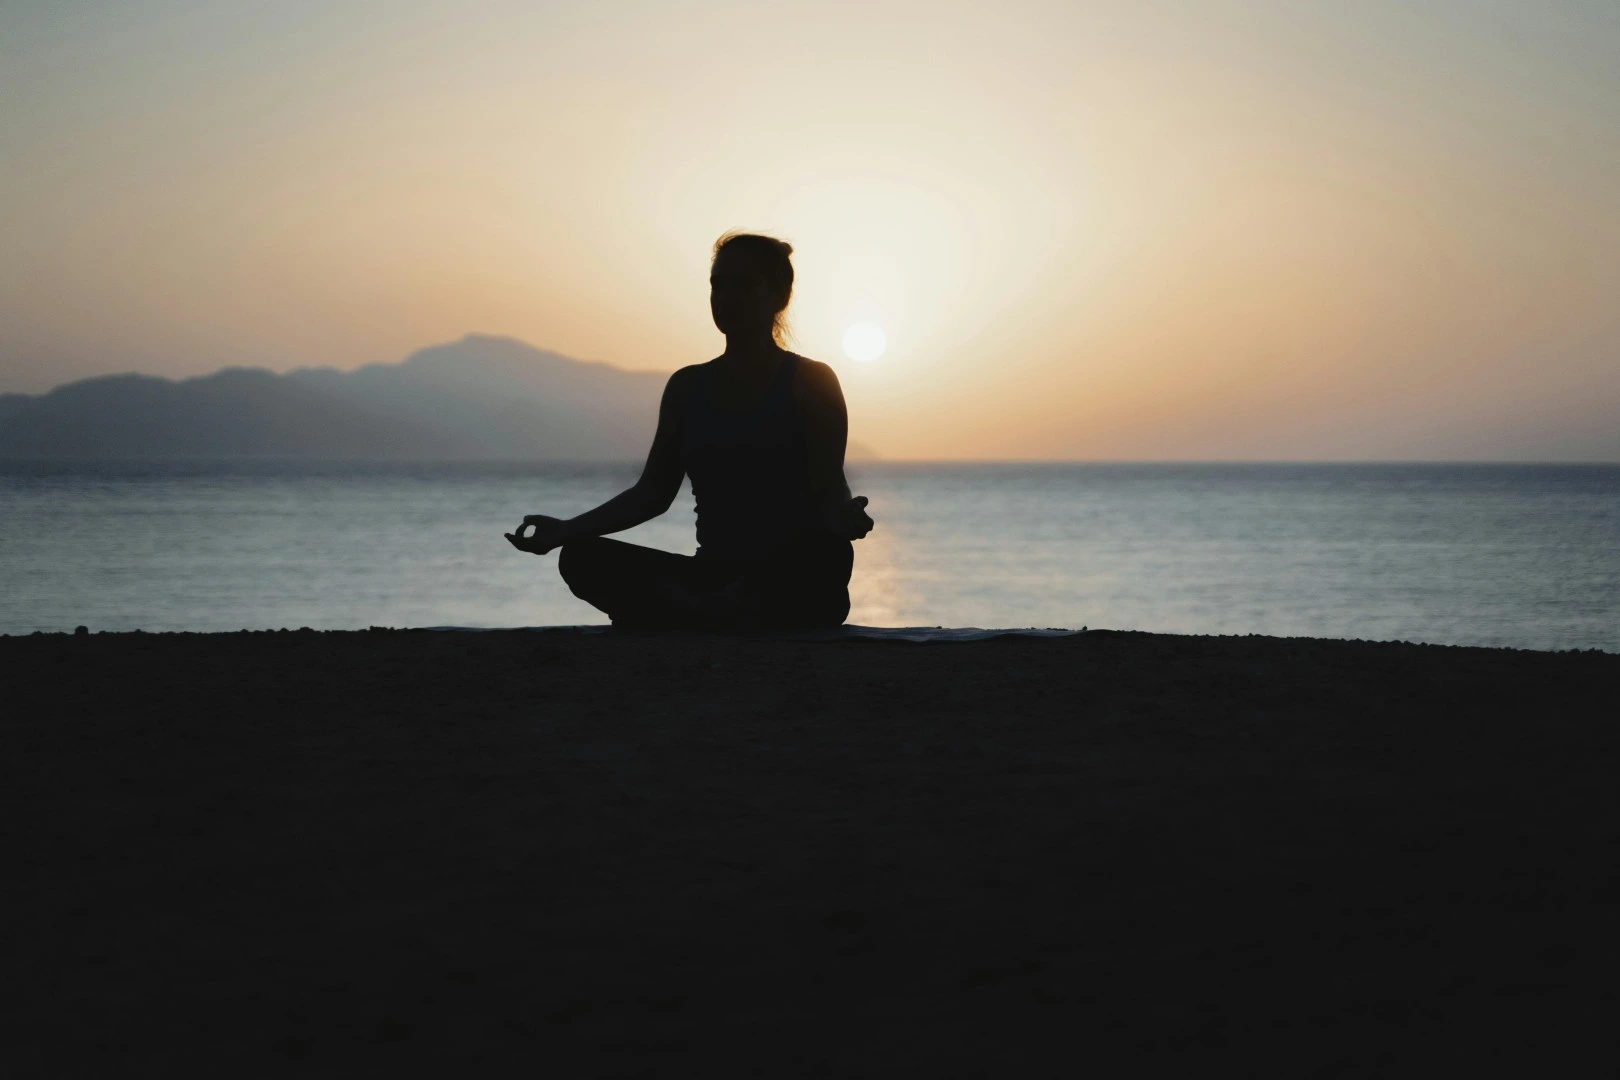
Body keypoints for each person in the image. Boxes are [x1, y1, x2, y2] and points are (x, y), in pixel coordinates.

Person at [504, 232, 874, 630]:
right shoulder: (687, 388)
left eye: (743, 284)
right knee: (580, 558)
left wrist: (845, 518)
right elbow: (652, 494)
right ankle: (713, 609)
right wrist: (563, 531)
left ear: (779, 296)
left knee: (828, 557)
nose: (725, 296)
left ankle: (696, 611)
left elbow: (830, 487)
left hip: (787, 574)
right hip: (713, 576)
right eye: (718, 284)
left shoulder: (812, 381)